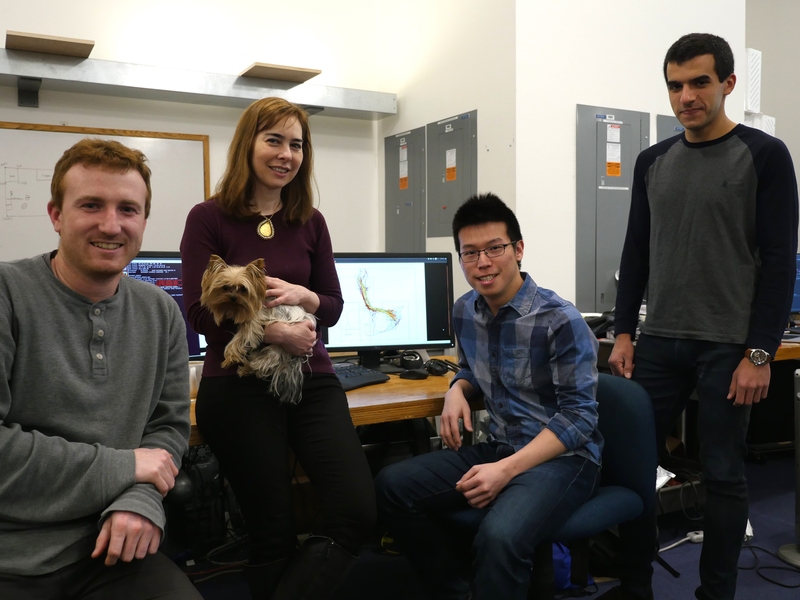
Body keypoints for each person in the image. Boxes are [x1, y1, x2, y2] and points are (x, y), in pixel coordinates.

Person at [604, 33, 799, 600]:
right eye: (675, 85)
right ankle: (634, 584)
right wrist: (621, 331)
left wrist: (760, 353)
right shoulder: (651, 162)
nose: (686, 96)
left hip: (729, 345)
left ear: (727, 84)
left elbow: (780, 260)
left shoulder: (765, 155)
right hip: (659, 340)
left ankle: (714, 594)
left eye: (699, 82)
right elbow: (634, 251)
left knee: (722, 475)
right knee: (633, 465)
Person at [180, 97, 375, 599]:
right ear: (248, 144)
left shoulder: (311, 221)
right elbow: (198, 315)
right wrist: (271, 332)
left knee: (355, 512)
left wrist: (308, 297)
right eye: (274, 140)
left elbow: (331, 307)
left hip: (311, 378)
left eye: (297, 144)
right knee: (272, 532)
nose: (286, 154)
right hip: (239, 382)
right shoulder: (208, 219)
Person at [375, 193, 603, 600]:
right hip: (499, 447)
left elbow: (579, 418)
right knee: (393, 486)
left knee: (500, 536)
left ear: (517, 249)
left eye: (494, 248)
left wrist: (507, 470)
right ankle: (456, 590)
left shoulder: (559, 320)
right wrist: (457, 389)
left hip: (564, 461)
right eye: (470, 252)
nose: (483, 262)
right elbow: (472, 367)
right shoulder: (466, 311)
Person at [0, 139, 200, 599]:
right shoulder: (9, 294)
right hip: (11, 553)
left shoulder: (160, 312)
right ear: (56, 214)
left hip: (112, 546)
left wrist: (142, 499)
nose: (111, 224)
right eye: (91, 205)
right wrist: (125, 467)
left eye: (128, 209)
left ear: (144, 221)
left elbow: (166, 430)